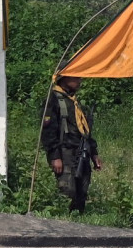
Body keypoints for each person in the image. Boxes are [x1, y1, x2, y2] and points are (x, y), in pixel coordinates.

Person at [41, 69, 103, 213]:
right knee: (67, 188)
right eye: (76, 77)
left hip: (81, 150)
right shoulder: (54, 100)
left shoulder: (73, 101)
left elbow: (85, 130)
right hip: (65, 151)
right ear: (64, 78)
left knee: (82, 187)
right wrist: (55, 156)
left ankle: (79, 217)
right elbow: (48, 132)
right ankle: (65, 218)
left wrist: (94, 153)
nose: (79, 80)